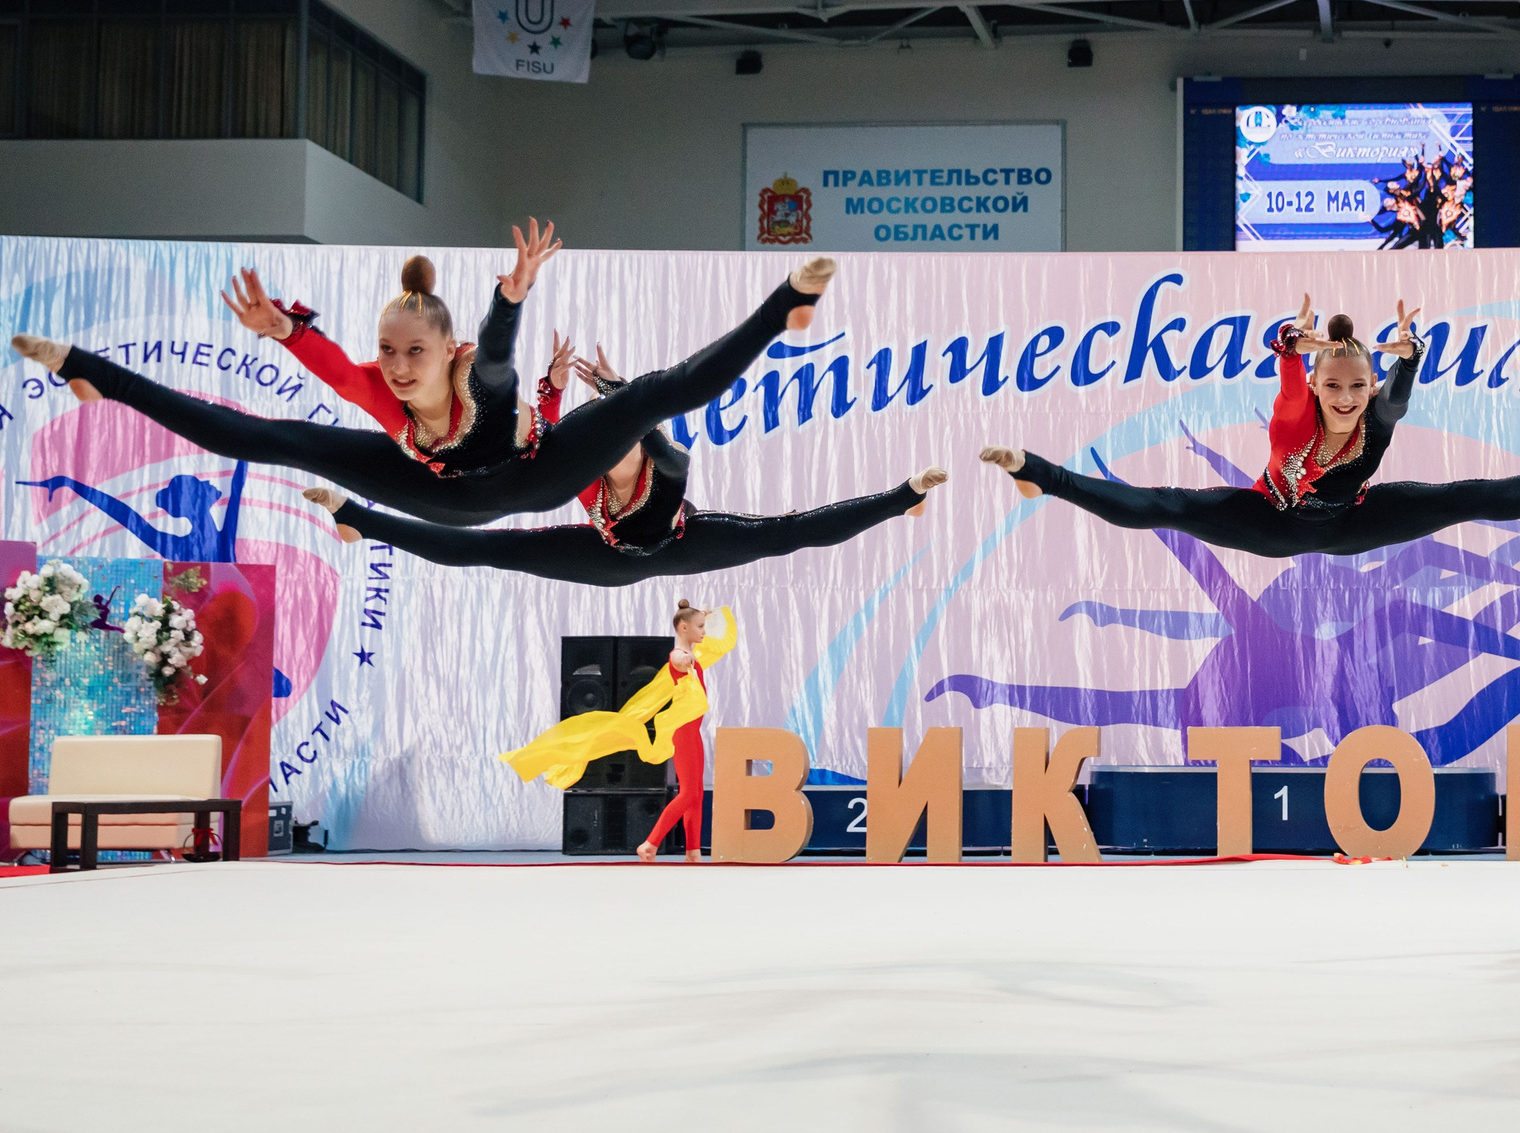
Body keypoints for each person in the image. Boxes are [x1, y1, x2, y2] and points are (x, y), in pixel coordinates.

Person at [11, 232, 838, 527]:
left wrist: (510, 297)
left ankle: (786, 305)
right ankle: (92, 373)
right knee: (269, 437)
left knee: (650, 394)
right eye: (389, 351)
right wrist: (285, 330)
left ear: (449, 350)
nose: (398, 368)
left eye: (414, 353)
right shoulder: (382, 385)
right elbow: (339, 369)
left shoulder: (481, 380)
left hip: (534, 475)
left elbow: (503, 358)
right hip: (438, 493)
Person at [981, 296, 1520, 559]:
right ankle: (1039, 475)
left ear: (1370, 386)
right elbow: (1286, 362)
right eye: (1333, 386)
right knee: (1167, 505)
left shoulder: (1377, 416)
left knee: (1472, 496)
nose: (1345, 397)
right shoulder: (1295, 414)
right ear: (1316, 385)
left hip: (1352, 523)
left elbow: (1397, 394)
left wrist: (1412, 356)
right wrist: (1290, 341)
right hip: (1272, 521)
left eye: (1357, 387)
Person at [298, 346, 948, 584]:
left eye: (620, 446)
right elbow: (541, 448)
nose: (607, 456)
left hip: (681, 545)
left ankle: (904, 498)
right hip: (607, 558)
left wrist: (619, 392)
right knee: (488, 549)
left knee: (787, 532)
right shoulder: (585, 476)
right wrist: (551, 391)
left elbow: (657, 427)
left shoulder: (664, 468)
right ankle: (359, 520)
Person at [502, 601, 735, 863]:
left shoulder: (691, 650)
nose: (704, 631)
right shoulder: (678, 655)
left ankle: (693, 852)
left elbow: (704, 634)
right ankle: (650, 844)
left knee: (696, 794)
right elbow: (678, 660)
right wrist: (685, 659)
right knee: (689, 794)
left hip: (693, 732)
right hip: (683, 733)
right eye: (700, 627)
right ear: (683, 628)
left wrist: (704, 615)